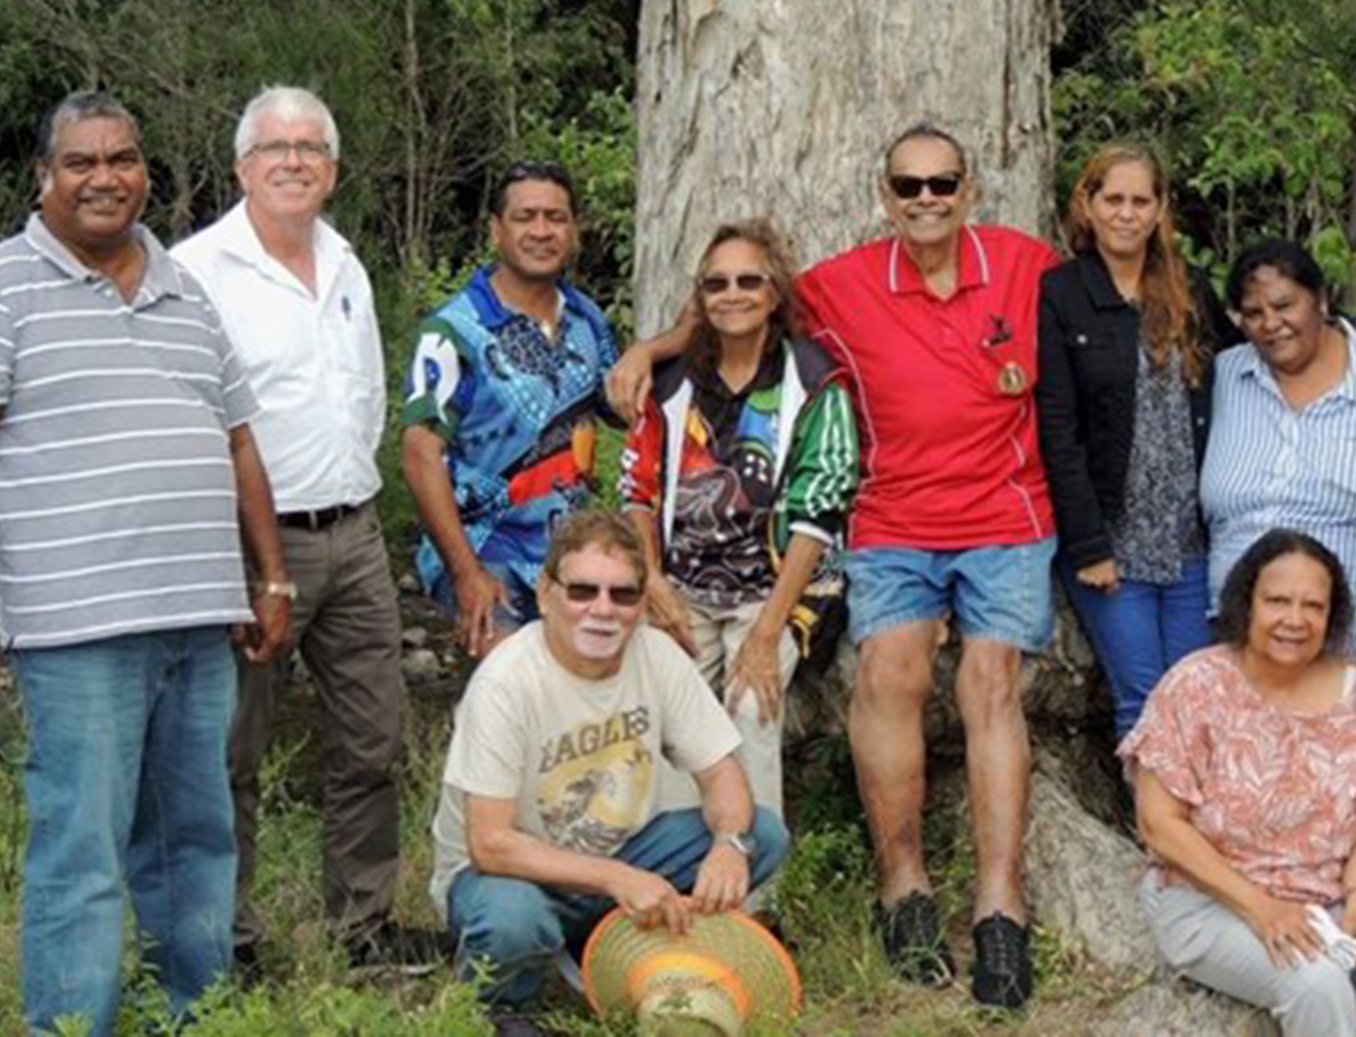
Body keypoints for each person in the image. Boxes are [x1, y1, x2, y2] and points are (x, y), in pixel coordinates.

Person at [607, 123, 1057, 1008]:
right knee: (890, 672)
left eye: (942, 184)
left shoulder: (1023, 264)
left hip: (1006, 516)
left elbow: (1111, 305)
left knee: (990, 680)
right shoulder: (843, 284)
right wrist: (648, 351)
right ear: (884, 195)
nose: (926, 200)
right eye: (908, 186)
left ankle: (1001, 908)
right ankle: (903, 890)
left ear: (969, 189)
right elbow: (736, 303)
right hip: (893, 518)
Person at [0, 90, 292, 1034]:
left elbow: (238, 441)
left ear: (145, 174)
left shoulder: (185, 289)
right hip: (75, 632)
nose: (104, 178)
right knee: (81, 852)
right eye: (80, 162)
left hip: (197, 622)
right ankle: (71, 1026)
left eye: (121, 159)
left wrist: (271, 575)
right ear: (43, 177)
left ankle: (193, 1018)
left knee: (196, 840)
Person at [173, 86, 432, 976]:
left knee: (372, 739)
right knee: (228, 750)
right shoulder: (197, 271)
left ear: (333, 167)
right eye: (274, 147)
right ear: (242, 167)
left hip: (353, 533)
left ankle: (365, 926)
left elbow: (364, 395)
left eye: (311, 147)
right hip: (247, 543)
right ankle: (224, 942)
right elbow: (191, 421)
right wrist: (233, 553)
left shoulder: (346, 262)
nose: (293, 160)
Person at [428, 509, 789, 1036]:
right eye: (582, 591)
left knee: (762, 833)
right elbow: (490, 844)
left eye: (622, 595)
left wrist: (729, 846)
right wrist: (619, 879)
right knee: (513, 918)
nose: (602, 610)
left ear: (642, 603)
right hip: (512, 875)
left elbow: (722, 775)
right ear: (546, 594)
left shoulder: (657, 655)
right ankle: (503, 1005)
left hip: (621, 854)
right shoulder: (506, 680)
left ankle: (611, 937)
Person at [1120, 529, 1356, 1037]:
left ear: (1332, 615)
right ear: (1246, 603)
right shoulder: (1195, 686)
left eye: (1313, 606)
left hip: (1330, 890)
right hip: (1210, 899)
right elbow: (1160, 825)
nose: (1295, 620)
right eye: (1277, 601)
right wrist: (1262, 909)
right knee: (1317, 983)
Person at [619, 218, 859, 818]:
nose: (733, 294)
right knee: (666, 714)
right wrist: (654, 583)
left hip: (776, 591)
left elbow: (819, 513)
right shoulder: (670, 385)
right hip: (683, 587)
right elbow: (637, 491)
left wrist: (766, 634)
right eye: (716, 283)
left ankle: (754, 868)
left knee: (752, 707)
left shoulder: (814, 381)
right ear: (700, 298)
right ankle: (677, 859)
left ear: (775, 293)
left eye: (749, 281)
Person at [1035, 145, 1243, 741]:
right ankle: (1152, 809)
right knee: (1145, 702)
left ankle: (1196, 806)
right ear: (1088, 204)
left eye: (1140, 201)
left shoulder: (1187, 288)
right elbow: (1058, 429)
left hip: (1188, 541)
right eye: (1113, 199)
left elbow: (1251, 355)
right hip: (1112, 542)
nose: (1126, 214)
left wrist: (1342, 330)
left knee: (1198, 700)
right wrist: (1088, 546)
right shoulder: (1063, 292)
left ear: (1160, 208)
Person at [1200, 239, 1356, 722]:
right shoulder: (1223, 378)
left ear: (1322, 300)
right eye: (1253, 313)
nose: (1271, 323)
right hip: (1239, 659)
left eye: (1285, 305)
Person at [400, 160, 618, 660]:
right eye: (525, 217)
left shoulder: (586, 318)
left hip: (570, 552)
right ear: (497, 229)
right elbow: (419, 454)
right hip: (484, 546)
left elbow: (620, 404)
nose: (541, 231)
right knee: (510, 682)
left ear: (574, 231)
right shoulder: (454, 330)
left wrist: (664, 345)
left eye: (556, 218)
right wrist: (465, 573)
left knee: (585, 688)